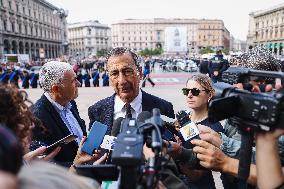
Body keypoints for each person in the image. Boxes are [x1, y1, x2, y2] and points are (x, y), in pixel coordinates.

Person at [88, 47, 175, 134]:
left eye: (127, 71)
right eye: (114, 74)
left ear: (140, 73)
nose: (122, 81)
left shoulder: (164, 108)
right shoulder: (97, 111)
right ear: (109, 78)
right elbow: (92, 147)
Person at [168, 74, 223, 189]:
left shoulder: (213, 129)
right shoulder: (182, 118)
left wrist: (179, 153)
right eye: (186, 91)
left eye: (195, 91)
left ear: (209, 94)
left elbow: (197, 175)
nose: (189, 95)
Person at [31, 61, 87, 166]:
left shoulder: (70, 102)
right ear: (56, 89)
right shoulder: (37, 117)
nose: (78, 83)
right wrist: (79, 166)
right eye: (73, 81)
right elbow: (46, 164)